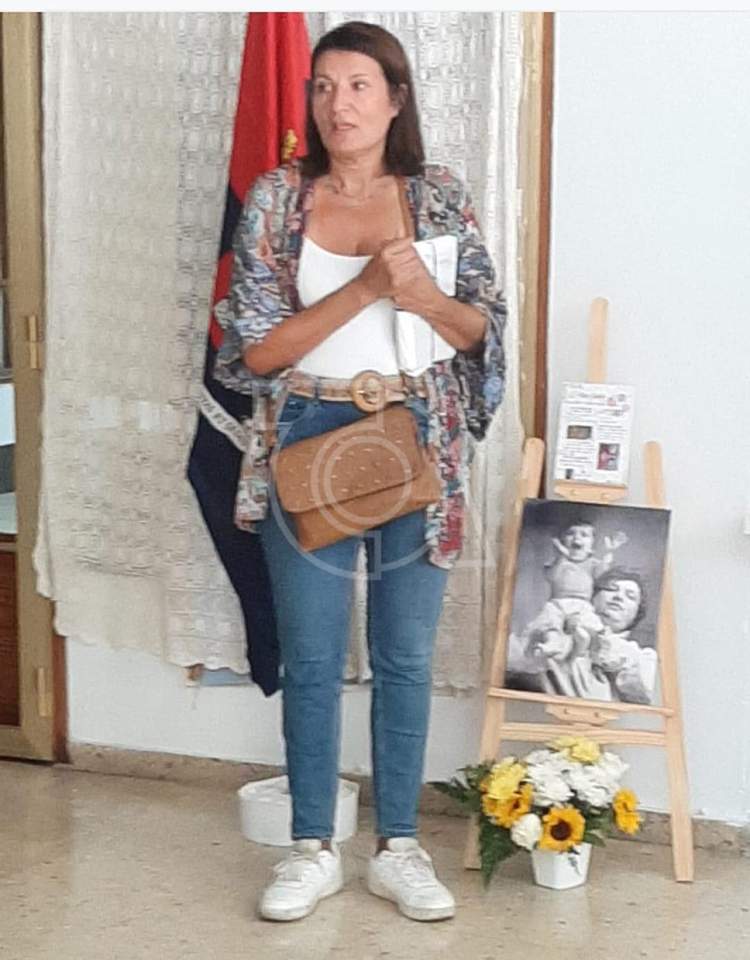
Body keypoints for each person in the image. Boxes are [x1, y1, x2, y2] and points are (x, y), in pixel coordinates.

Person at [211, 21, 506, 922]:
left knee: (404, 656)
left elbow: (480, 331)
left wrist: (426, 297)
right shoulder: (277, 199)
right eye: (323, 86)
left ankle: (400, 848)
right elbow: (256, 352)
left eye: (358, 85)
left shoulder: (438, 195)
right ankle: (312, 848)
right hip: (308, 433)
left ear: (395, 98)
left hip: (417, 435)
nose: (338, 104)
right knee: (309, 655)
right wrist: (368, 288)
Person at [507, 568, 657, 704]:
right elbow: (513, 658)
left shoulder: (637, 657)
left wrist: (605, 646)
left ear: (637, 613)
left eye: (630, 597)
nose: (618, 597)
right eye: (611, 589)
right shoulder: (558, 617)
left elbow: (646, 692)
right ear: (593, 595)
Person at [524, 521, 627, 663]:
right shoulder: (559, 563)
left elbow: (603, 576)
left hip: (581, 605)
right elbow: (551, 577)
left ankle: (585, 650)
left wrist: (609, 552)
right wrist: (561, 557)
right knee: (551, 624)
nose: (576, 538)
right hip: (557, 603)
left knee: (587, 627)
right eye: (570, 533)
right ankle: (552, 644)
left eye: (584, 535)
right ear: (562, 542)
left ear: (591, 546)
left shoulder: (592, 564)